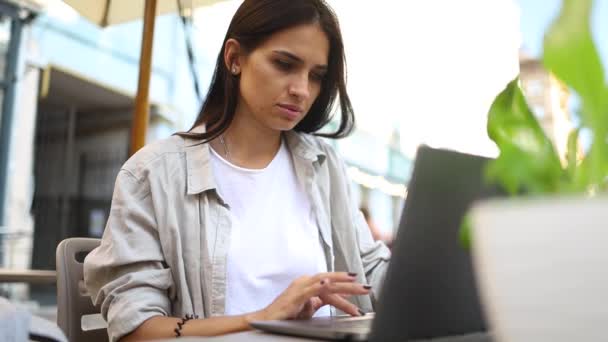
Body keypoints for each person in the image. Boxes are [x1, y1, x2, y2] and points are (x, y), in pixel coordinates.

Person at [83, 1, 391, 341]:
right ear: (234, 58)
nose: (302, 90)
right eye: (284, 64)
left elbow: (372, 271)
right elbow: (136, 330)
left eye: (316, 76)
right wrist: (261, 318)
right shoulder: (153, 174)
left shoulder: (324, 166)